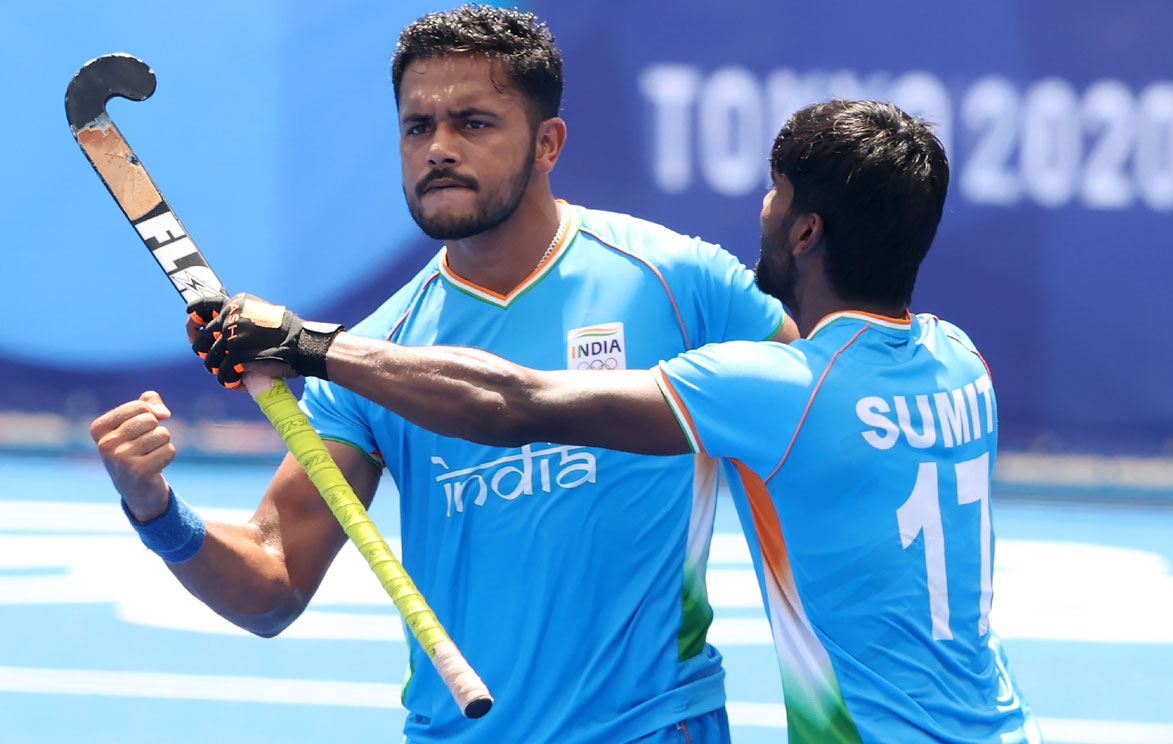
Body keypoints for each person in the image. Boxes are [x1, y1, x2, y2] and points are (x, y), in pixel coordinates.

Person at [187, 99, 1041, 743]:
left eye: (775, 198)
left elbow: (513, 404)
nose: (762, 214)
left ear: (807, 230)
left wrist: (307, 346)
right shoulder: (961, 363)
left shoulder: (773, 390)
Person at [89, 5, 797, 744]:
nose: (438, 148)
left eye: (474, 123)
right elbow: (273, 584)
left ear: (548, 143)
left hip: (654, 728)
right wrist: (154, 508)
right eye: (417, 126)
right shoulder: (374, 352)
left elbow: (824, 404)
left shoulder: (680, 283)